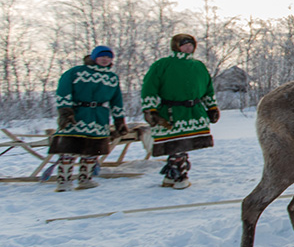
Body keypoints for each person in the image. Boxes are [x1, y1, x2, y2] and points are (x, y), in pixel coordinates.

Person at [141, 33, 217, 189]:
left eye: (191, 44)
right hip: (171, 112)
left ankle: (170, 176)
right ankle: (180, 176)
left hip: (193, 111)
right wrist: (151, 110)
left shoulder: (199, 66)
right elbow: (149, 87)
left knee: (182, 145)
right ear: (176, 46)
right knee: (177, 146)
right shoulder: (162, 65)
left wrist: (212, 107)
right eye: (184, 44)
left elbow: (208, 89)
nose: (188, 47)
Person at [49, 45, 127, 191]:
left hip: (99, 116)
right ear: (94, 57)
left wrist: (119, 120)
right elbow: (63, 91)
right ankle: (64, 181)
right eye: (102, 56)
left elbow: (117, 100)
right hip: (78, 114)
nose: (105, 59)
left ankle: (85, 179)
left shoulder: (112, 77)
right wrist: (65, 111)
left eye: (108, 57)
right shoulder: (76, 72)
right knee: (70, 148)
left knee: (93, 149)